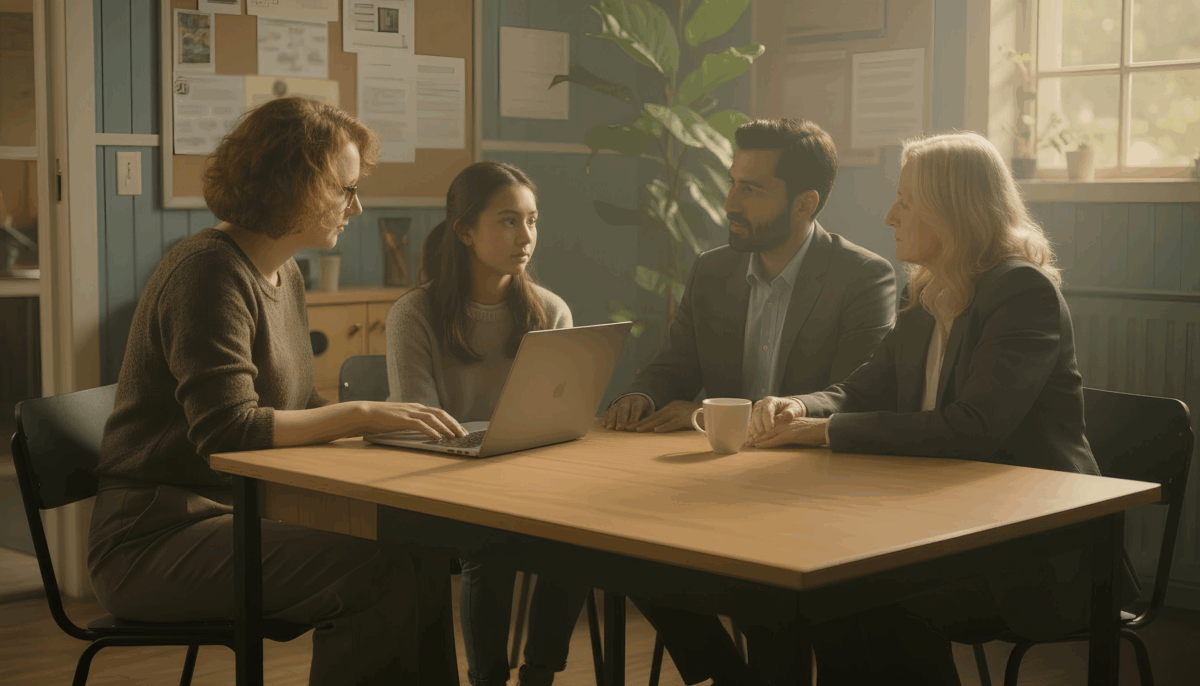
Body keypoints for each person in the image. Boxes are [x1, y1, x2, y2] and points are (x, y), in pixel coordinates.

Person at [87, 97, 467, 686]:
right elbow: (229, 431)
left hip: (229, 515)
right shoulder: (206, 273)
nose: (357, 206)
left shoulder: (282, 271)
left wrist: (378, 425)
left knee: (416, 548)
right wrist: (361, 411)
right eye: (344, 190)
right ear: (295, 185)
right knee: (379, 567)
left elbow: (288, 410)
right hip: (151, 539)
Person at [739, 131, 1140, 684]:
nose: (889, 216)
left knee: (860, 590)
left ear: (952, 209)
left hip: (1035, 550)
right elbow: (860, 389)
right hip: (944, 524)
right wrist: (798, 407)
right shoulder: (930, 293)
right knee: (829, 582)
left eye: (906, 200)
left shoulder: (1021, 292)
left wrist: (825, 434)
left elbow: (972, 429)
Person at [600, 118, 897, 686]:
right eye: (733, 182)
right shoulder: (713, 270)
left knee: (769, 585)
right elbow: (673, 366)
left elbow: (858, 391)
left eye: (752, 189)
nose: (731, 202)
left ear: (805, 203)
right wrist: (641, 395)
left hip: (816, 491)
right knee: (625, 546)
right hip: (722, 485)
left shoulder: (862, 276)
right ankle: (727, 676)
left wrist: (764, 410)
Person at [386, 161, 584, 686]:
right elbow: (418, 424)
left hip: (529, 483)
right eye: (508, 221)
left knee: (588, 536)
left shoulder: (551, 310)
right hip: (440, 486)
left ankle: (540, 673)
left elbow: (557, 422)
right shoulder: (416, 313)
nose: (526, 237)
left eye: (533, 221)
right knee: (490, 544)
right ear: (465, 231)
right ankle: (488, 678)